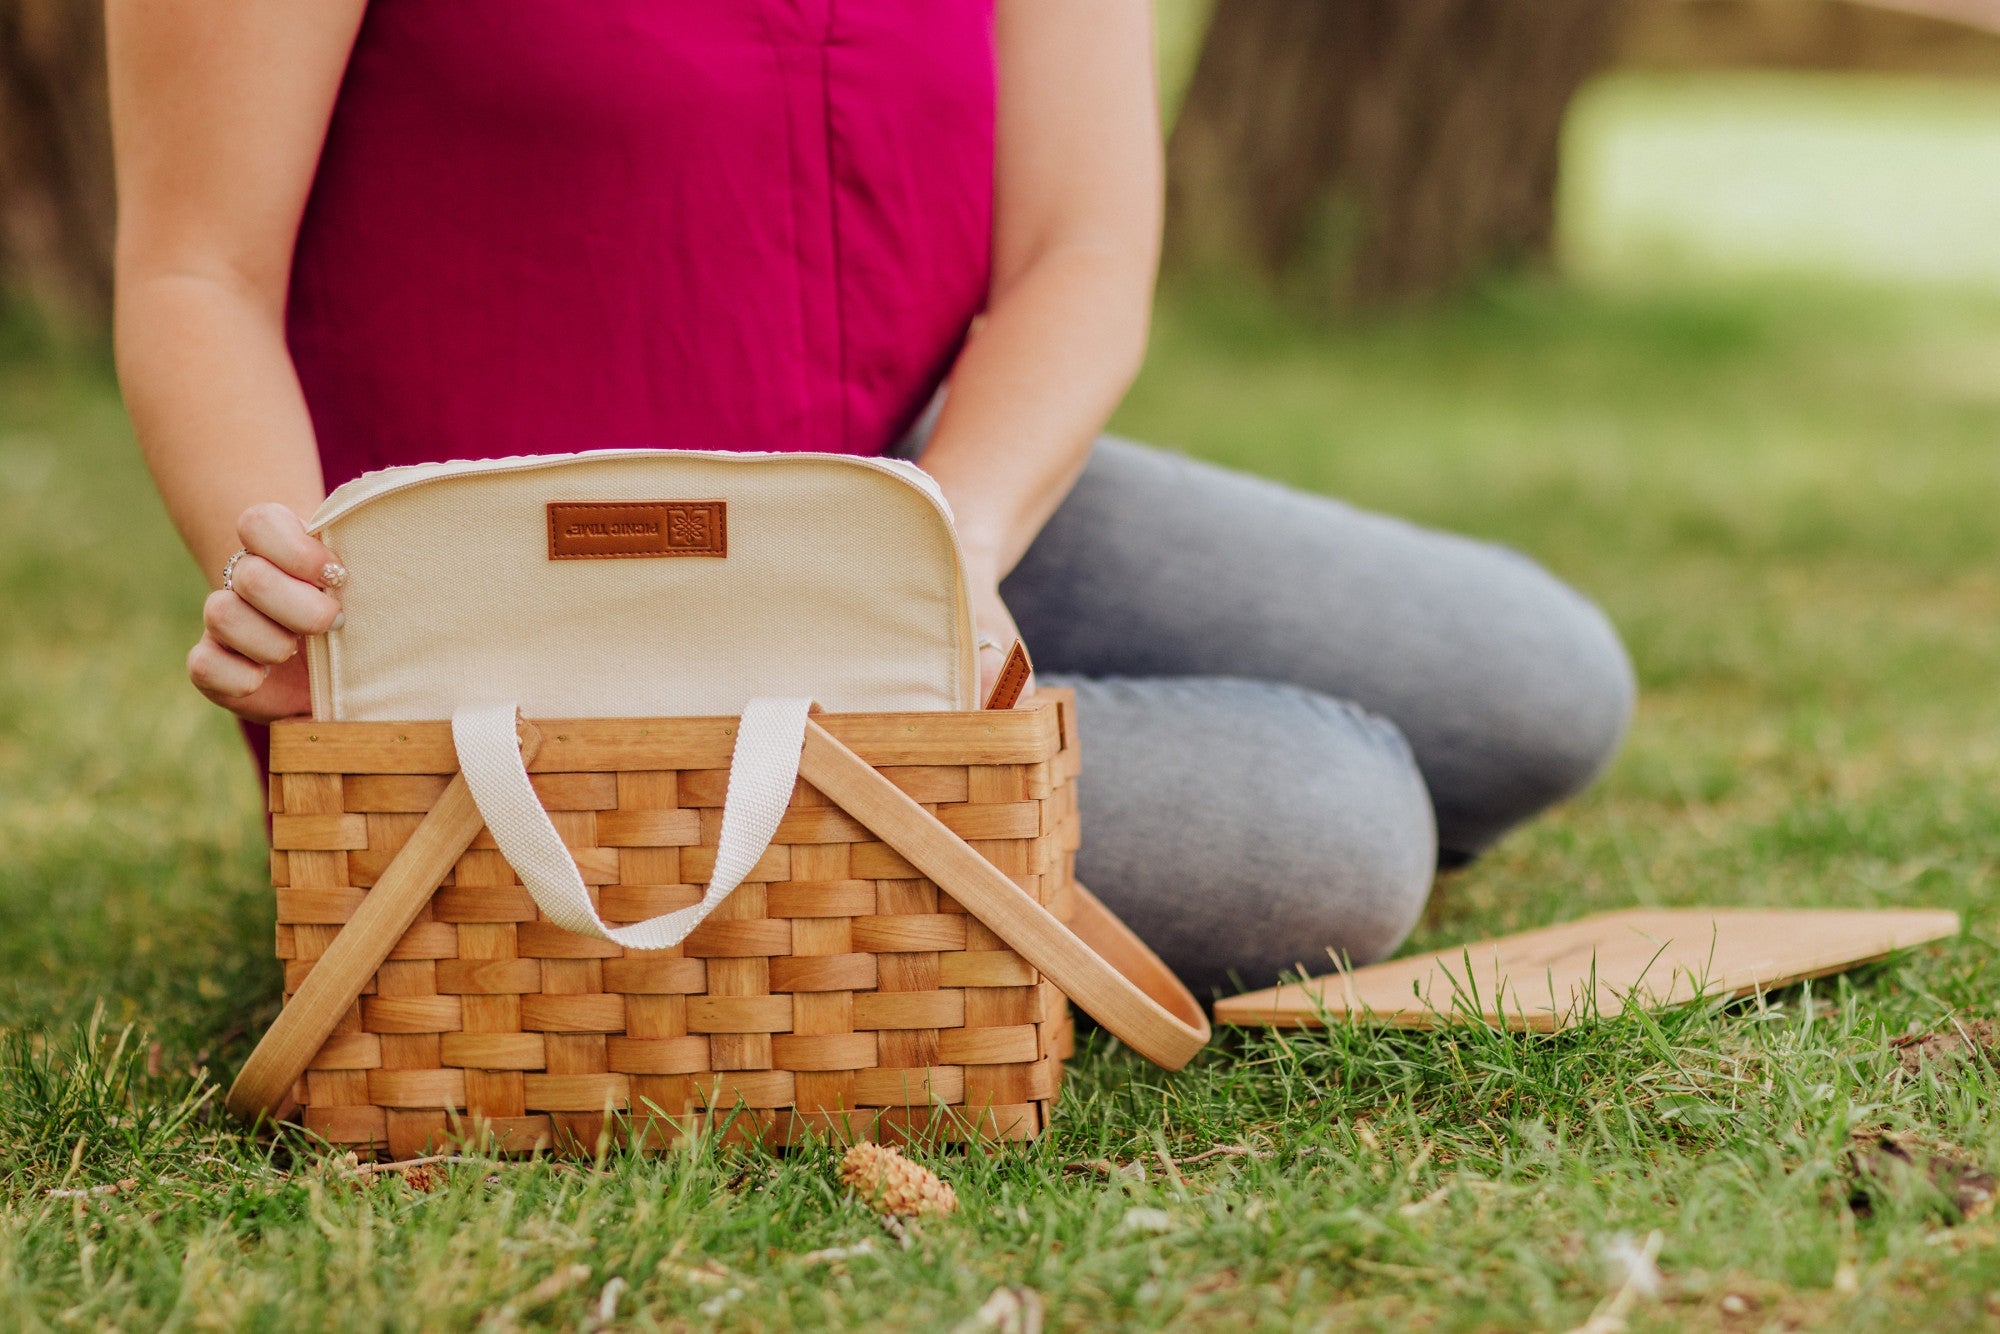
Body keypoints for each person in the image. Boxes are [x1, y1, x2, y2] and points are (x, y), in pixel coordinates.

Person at [109, 0, 1633, 996]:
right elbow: (197, 270)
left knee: (1538, 682)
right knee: (1335, 832)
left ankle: (935, 751)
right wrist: (302, 590)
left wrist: (948, 555)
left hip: (904, 490)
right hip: (542, 612)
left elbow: (1078, 254)